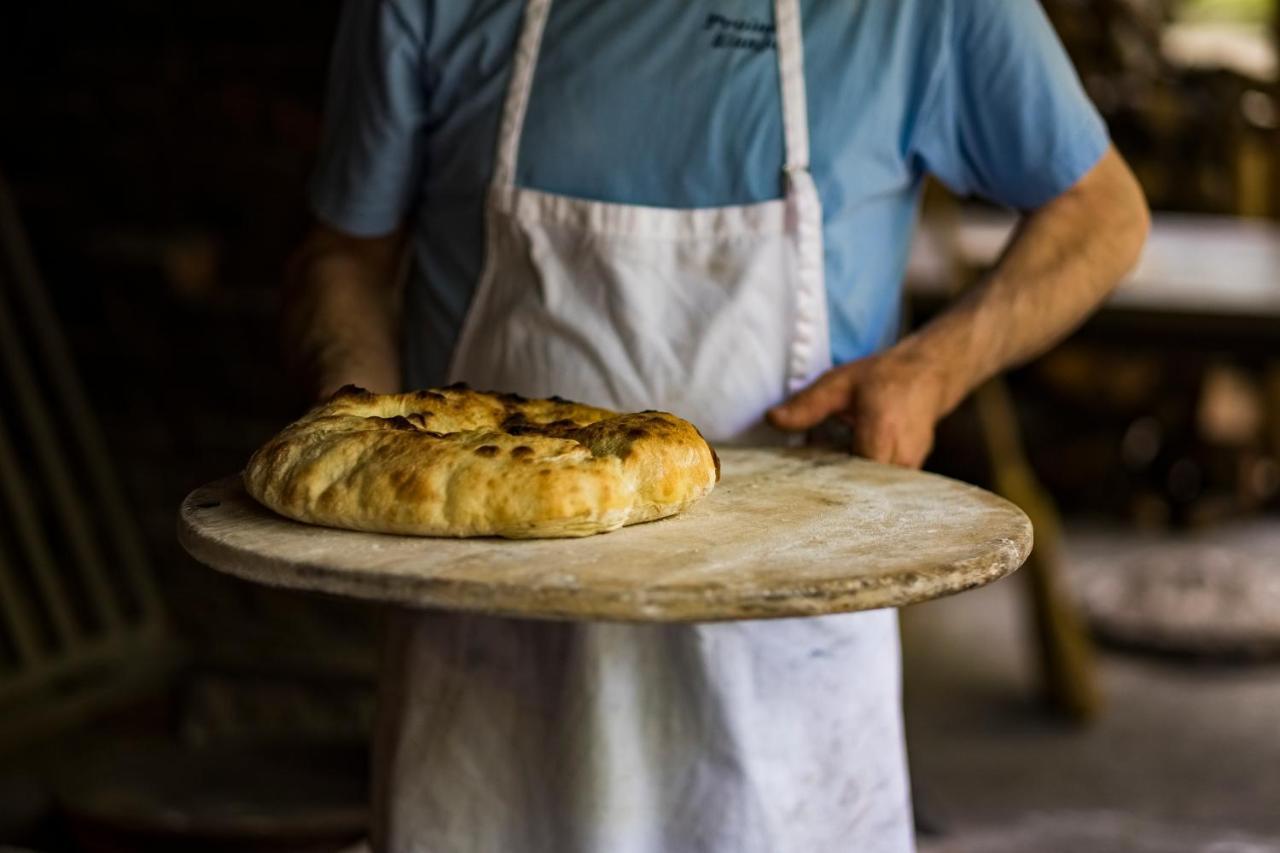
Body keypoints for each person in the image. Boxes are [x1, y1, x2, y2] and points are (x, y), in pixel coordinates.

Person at [284, 1, 1149, 850]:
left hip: (785, 645)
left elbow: (1100, 211)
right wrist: (362, 434)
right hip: (483, 647)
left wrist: (929, 372)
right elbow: (346, 256)